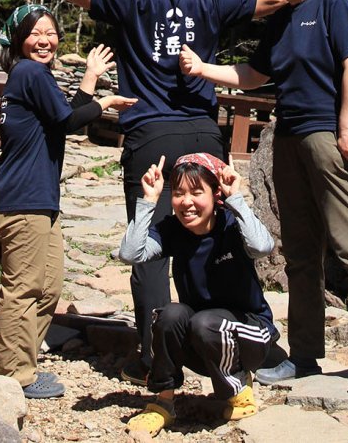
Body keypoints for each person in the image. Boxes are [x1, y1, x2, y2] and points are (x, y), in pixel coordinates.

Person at [179, 0, 348, 393]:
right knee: (301, 254)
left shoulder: (332, 5)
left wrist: (347, 128)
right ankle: (304, 356)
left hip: (329, 137)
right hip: (287, 138)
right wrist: (203, 68)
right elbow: (255, 75)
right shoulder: (281, 19)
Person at [57, 0, 284, 379]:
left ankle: (156, 363)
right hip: (204, 135)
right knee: (223, 236)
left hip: (151, 137)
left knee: (150, 249)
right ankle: (229, 341)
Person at [0, 3, 136, 399]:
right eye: (35, 33)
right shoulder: (30, 71)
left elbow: (63, 116)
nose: (45, 40)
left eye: (51, 32)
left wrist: (89, 79)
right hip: (23, 201)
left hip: (39, 200)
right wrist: (104, 103)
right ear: (19, 40)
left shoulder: (33, 76)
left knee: (48, 288)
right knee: (23, 289)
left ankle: (24, 362)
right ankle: (12, 375)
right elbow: (70, 121)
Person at [118, 152, 278, 434]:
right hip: (203, 336)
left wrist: (235, 197)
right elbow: (130, 253)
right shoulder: (174, 230)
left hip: (250, 337)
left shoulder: (230, 223)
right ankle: (162, 404)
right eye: (178, 193)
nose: (186, 202)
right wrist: (148, 201)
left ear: (215, 193)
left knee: (205, 323)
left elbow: (263, 247)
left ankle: (239, 388)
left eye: (196, 192)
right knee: (169, 315)